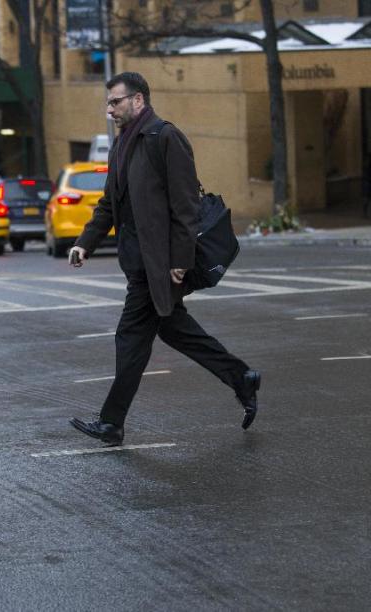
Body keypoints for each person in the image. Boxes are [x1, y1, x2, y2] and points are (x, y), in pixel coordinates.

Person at [66, 72, 260, 447]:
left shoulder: (165, 137)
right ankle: (241, 377)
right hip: (138, 261)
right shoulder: (122, 144)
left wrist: (181, 259)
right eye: (108, 103)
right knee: (173, 328)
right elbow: (110, 202)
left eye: (116, 102)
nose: (110, 109)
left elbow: (185, 205)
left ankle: (111, 423)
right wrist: (85, 242)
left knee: (130, 336)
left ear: (138, 100)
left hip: (160, 264)